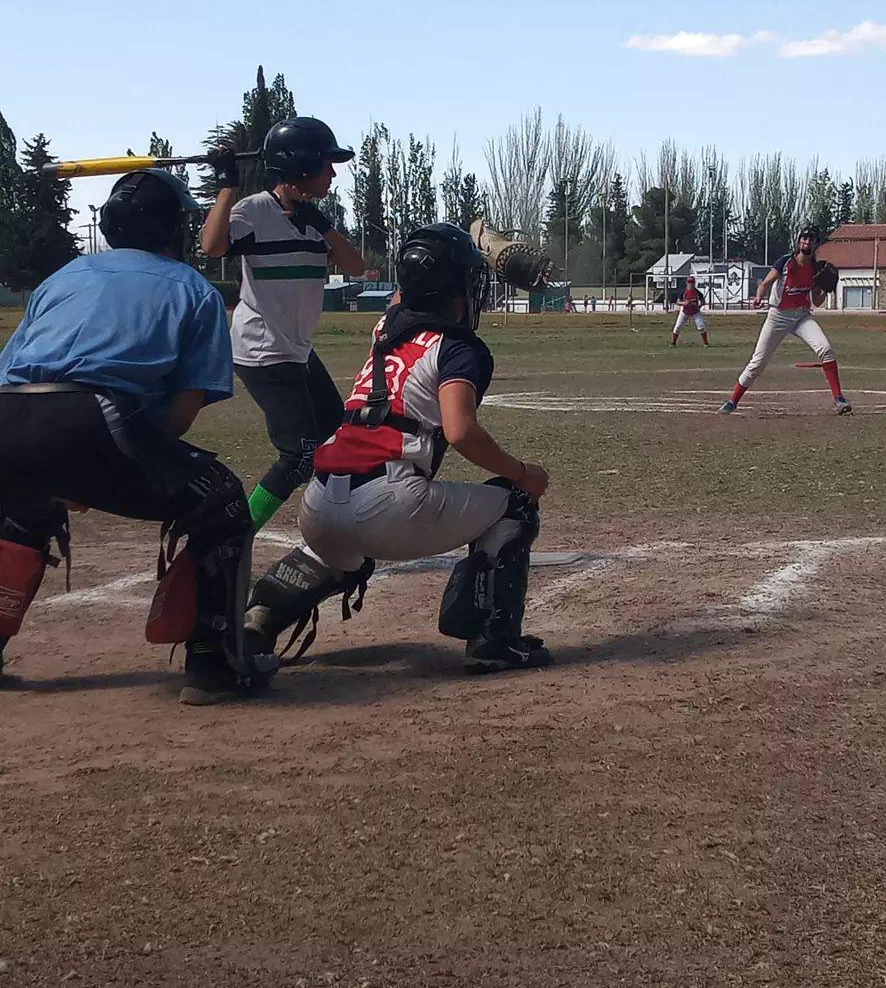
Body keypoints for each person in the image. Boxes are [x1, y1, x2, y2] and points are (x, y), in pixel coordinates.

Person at [0, 170, 278, 704]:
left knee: (22, 509)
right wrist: (106, 469)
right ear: (175, 228)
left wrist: (76, 470)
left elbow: (14, 375)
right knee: (220, 501)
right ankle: (212, 663)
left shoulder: (62, 278)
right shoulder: (193, 289)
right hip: (93, 418)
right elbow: (181, 412)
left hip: (7, 415)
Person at [245, 223, 553, 673]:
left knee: (340, 551)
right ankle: (494, 638)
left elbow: (413, 286)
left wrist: (467, 246)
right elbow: (461, 431)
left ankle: (262, 616)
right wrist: (522, 472)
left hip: (319, 503)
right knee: (515, 504)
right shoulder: (460, 348)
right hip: (389, 503)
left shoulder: (386, 325)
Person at [201, 117, 366, 533]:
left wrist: (321, 222)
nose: (332, 173)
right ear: (300, 169)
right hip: (263, 351)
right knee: (300, 455)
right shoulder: (254, 211)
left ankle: (337, 522)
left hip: (296, 350)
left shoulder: (313, 220)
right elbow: (211, 246)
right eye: (326, 164)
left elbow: (356, 267)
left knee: (336, 438)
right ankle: (234, 534)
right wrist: (227, 186)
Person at [721, 225, 851, 416]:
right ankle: (733, 401)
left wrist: (825, 289)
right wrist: (758, 297)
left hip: (802, 317)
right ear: (799, 241)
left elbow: (817, 301)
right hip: (778, 316)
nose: (807, 242)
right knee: (758, 363)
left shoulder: (816, 268)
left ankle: (839, 399)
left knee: (825, 349)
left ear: (816, 244)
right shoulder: (785, 262)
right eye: (804, 238)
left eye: (811, 239)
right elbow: (765, 283)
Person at [671, 275, 709, 347]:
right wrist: (684, 303)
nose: (690, 284)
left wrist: (699, 306)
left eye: (692, 282)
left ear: (694, 283)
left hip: (695, 311)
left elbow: (703, 301)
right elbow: (678, 302)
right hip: (684, 311)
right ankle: (673, 343)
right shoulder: (683, 292)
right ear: (686, 283)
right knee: (678, 326)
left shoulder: (697, 292)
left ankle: (706, 343)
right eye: (689, 282)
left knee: (701, 326)